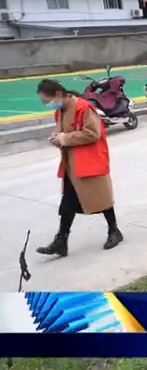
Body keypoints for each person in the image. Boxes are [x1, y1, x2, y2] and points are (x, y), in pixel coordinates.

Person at [35, 79, 123, 258]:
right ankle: (61, 240)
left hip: (90, 161)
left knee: (101, 198)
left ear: (58, 94)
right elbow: (64, 134)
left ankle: (114, 231)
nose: (47, 104)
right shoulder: (60, 111)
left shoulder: (83, 108)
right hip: (71, 163)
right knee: (67, 202)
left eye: (47, 100)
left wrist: (65, 138)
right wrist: (57, 139)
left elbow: (93, 133)